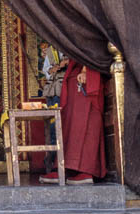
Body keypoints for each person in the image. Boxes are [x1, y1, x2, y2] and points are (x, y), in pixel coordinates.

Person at [40, 59, 106, 185]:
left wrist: (86, 70)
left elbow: (90, 51)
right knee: (71, 125)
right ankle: (67, 169)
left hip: (87, 76)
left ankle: (86, 170)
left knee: (86, 122)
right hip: (74, 77)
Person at [39, 42, 70, 173]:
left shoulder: (71, 47)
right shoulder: (51, 52)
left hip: (66, 89)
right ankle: (51, 160)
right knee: (53, 128)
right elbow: (46, 72)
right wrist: (54, 68)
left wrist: (66, 64)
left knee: (66, 125)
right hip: (53, 92)